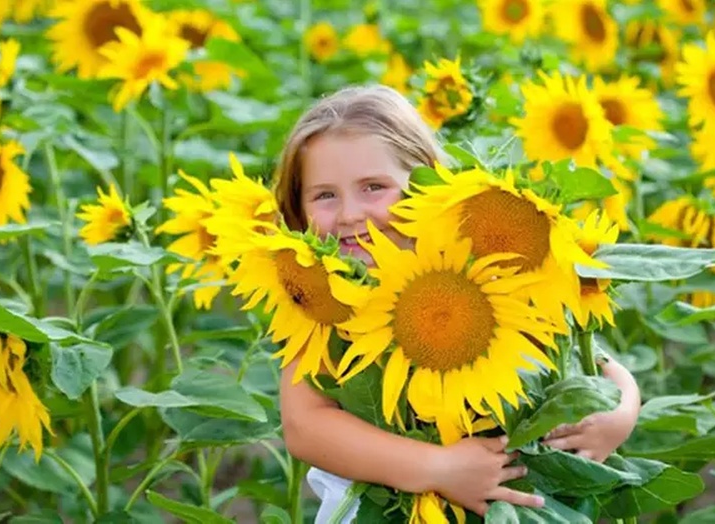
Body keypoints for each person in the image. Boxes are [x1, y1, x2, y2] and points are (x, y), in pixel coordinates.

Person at [272, 84, 642, 523]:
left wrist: (619, 415)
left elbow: (595, 362)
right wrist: (438, 469)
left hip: (517, 499)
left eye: (374, 187)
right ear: (298, 210)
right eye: (325, 195)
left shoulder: (485, 270)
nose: (351, 214)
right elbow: (305, 428)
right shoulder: (322, 304)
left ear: (425, 183)